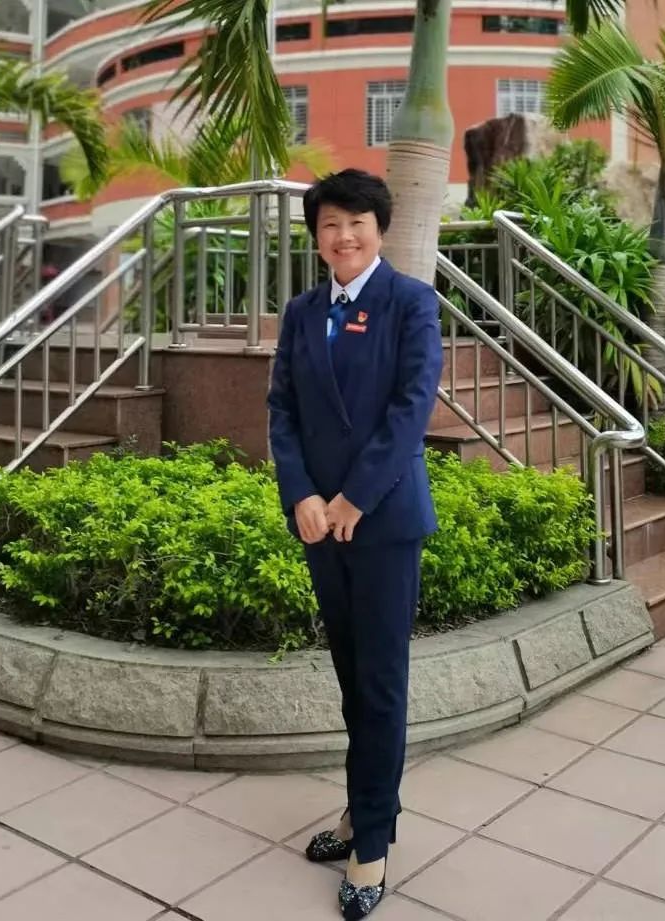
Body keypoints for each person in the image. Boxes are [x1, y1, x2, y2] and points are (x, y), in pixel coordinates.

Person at [267, 169, 443, 920]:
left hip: (382, 520)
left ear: (380, 228)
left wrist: (352, 498)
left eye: (356, 223)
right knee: (350, 675)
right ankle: (361, 807)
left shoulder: (411, 302)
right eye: (330, 224)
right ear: (316, 237)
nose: (343, 236)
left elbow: (410, 409)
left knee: (380, 683)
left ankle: (371, 840)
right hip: (319, 523)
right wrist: (302, 494)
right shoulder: (303, 312)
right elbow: (282, 409)